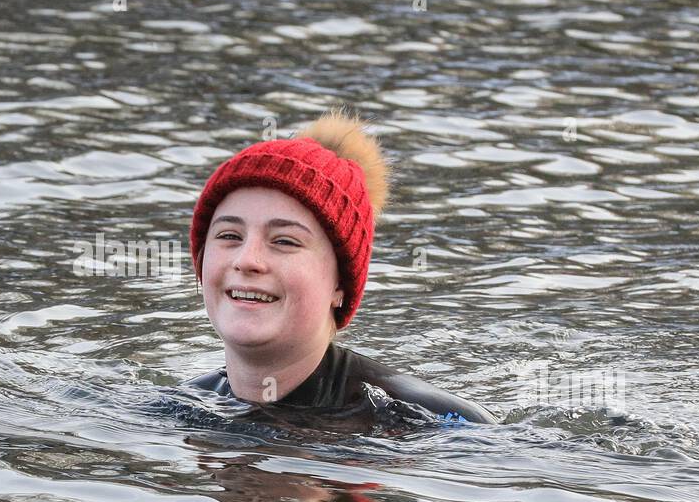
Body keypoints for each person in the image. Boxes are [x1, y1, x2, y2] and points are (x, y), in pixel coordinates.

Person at [183, 109, 498, 425]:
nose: (247, 260)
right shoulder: (181, 408)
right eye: (229, 236)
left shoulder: (427, 420)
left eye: (284, 241)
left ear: (340, 286)